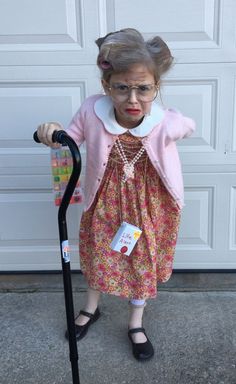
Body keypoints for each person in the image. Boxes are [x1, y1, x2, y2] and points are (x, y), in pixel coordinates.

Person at [36, 28, 195, 361]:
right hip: (104, 200)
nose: (132, 99)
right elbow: (70, 137)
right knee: (98, 255)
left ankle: (135, 322)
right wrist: (52, 133)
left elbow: (186, 125)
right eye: (122, 88)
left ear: (156, 86)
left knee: (141, 261)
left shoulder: (163, 120)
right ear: (107, 86)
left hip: (148, 204)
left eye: (143, 88)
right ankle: (91, 307)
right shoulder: (94, 111)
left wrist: (170, 123)